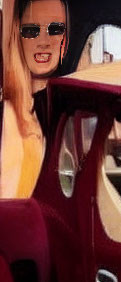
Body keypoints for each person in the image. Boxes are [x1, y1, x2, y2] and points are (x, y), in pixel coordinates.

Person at [1, 0, 68, 198]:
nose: (43, 41)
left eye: (55, 29)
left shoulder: (79, 113)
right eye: (31, 30)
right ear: (17, 36)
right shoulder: (7, 113)